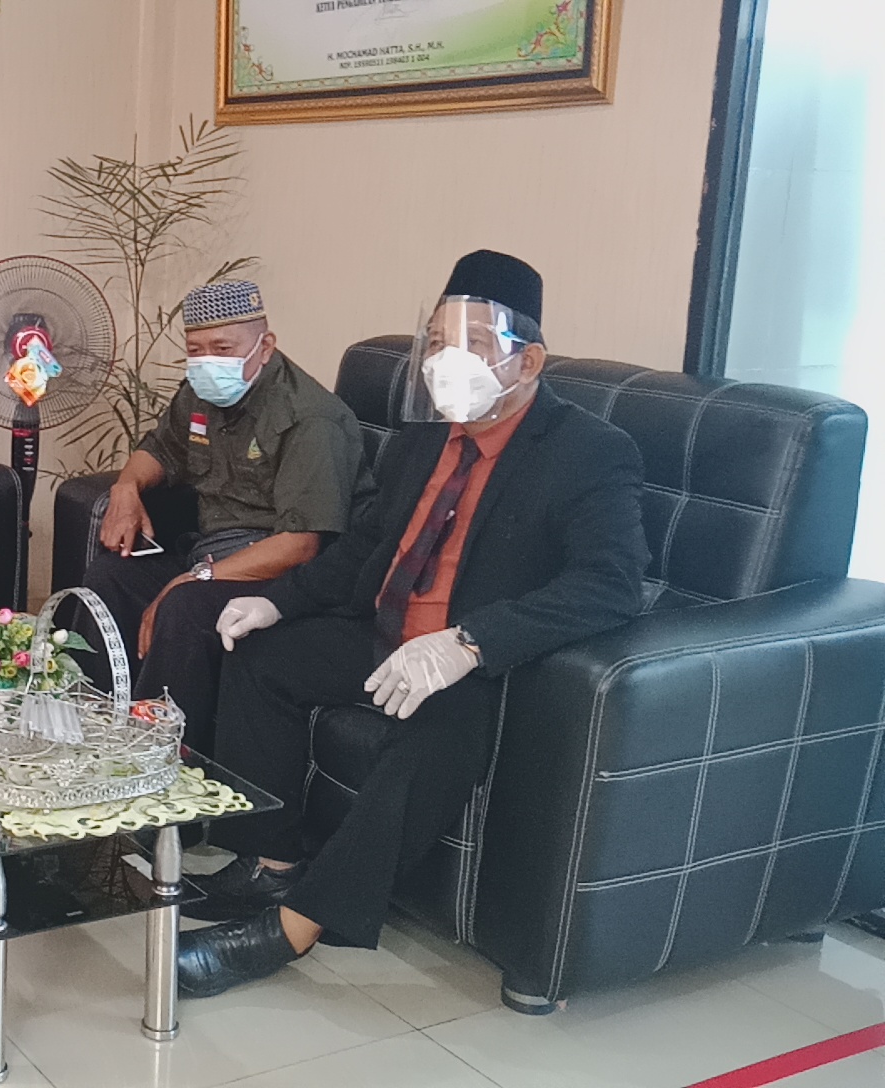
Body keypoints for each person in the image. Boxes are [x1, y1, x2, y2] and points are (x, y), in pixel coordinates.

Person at [175, 251, 650, 997]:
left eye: (470, 345)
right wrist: (280, 601)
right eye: (435, 343)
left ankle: (291, 929)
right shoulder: (421, 441)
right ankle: (269, 863)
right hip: (383, 634)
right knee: (261, 654)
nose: (443, 362)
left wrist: (471, 641)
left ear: (528, 361)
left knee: (436, 736)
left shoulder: (588, 452)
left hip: (478, 664)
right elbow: (364, 548)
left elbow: (612, 584)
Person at [83, 280, 365, 746]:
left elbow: (301, 544)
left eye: (222, 348)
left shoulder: (309, 418)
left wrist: (194, 579)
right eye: (195, 350)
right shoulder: (200, 392)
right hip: (210, 551)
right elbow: (160, 448)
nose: (207, 361)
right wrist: (126, 486)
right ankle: (92, 724)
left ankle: (161, 755)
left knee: (185, 605)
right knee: (112, 575)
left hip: (280, 570)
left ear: (264, 346)